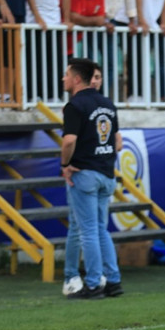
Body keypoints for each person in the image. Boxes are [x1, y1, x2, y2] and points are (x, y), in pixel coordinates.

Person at [60, 58, 123, 299]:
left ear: (76, 79)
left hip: (84, 173)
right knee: (100, 229)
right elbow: (117, 141)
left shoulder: (75, 105)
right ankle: (114, 280)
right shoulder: (107, 103)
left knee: (87, 231)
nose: (64, 79)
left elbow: (69, 140)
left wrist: (65, 164)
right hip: (106, 173)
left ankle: (94, 283)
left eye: (67, 74)